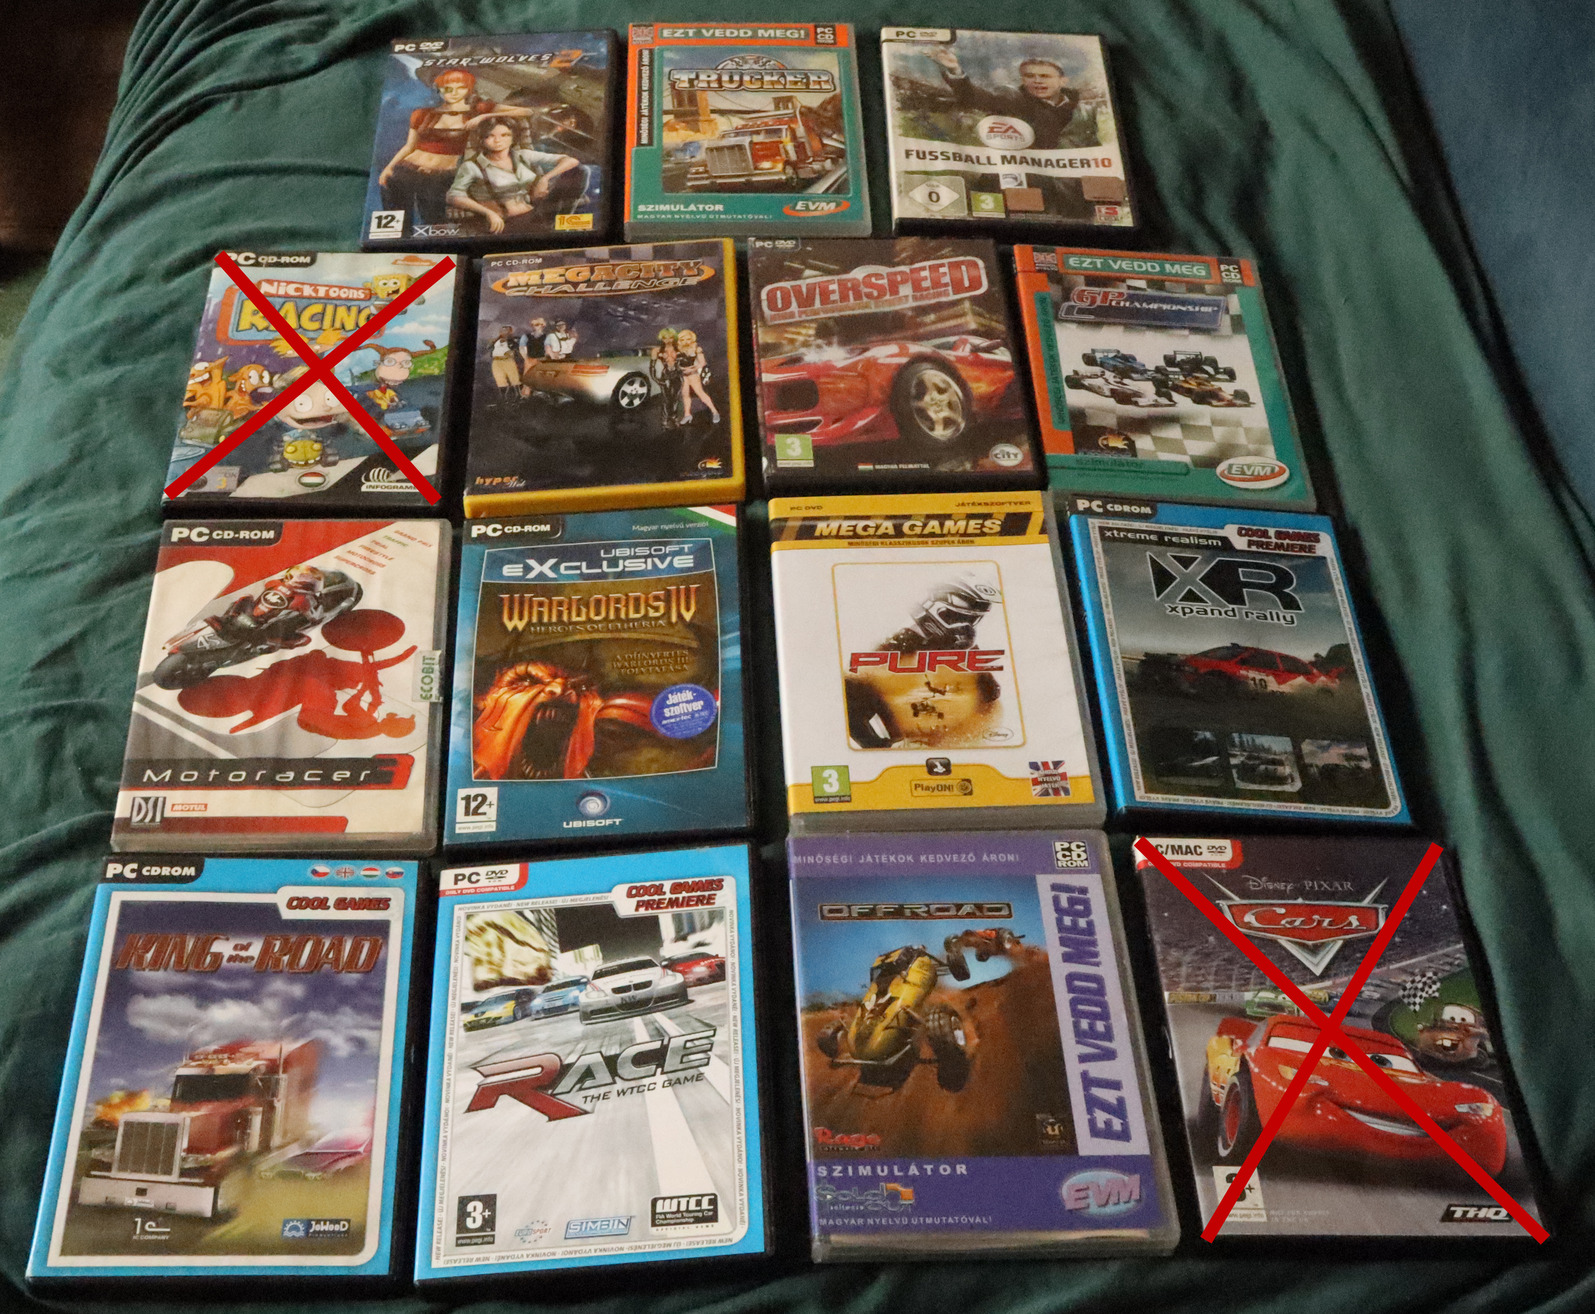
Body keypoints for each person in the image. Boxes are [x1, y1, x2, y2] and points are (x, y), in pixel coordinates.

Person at [377, 68, 534, 228]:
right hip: (405, 170)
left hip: (441, 176)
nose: (454, 93)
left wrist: (485, 116)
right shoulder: (422, 113)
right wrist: (389, 167)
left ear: (468, 89)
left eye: (460, 88)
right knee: (397, 224)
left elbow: (526, 112)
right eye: (448, 89)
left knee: (434, 222)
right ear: (440, 90)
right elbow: (409, 146)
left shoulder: (477, 110)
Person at [926, 46, 1099, 149]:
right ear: (1023, 80)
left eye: (1045, 76)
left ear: (1063, 81)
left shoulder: (1084, 111)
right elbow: (976, 97)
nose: (1037, 81)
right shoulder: (1014, 100)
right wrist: (955, 70)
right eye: (1030, 76)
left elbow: (1092, 144)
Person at [445, 118, 583, 236]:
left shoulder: (522, 155)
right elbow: (454, 196)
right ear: (482, 139)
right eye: (490, 136)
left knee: (579, 171)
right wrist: (488, 213)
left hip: (535, 214)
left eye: (504, 135)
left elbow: (571, 161)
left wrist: (545, 179)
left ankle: (562, 224)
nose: (498, 140)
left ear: (513, 137)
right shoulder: (472, 166)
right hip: (505, 222)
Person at [674, 329, 719, 425]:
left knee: (701, 393)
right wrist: (680, 368)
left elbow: (703, 363)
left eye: (688, 339)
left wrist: (692, 369)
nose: (686, 341)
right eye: (683, 339)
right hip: (683, 375)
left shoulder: (697, 349)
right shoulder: (678, 349)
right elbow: (675, 363)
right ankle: (687, 415)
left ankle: (715, 412)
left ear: (692, 339)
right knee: (685, 395)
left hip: (693, 374)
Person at [488, 325, 522, 401]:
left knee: (514, 377)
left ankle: (518, 395)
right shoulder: (496, 341)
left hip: (507, 360)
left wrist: (512, 352)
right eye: (502, 330)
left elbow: (516, 348)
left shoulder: (512, 341)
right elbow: (489, 347)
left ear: (510, 332)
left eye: (506, 330)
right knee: (499, 378)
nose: (504, 332)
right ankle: (503, 397)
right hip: (496, 361)